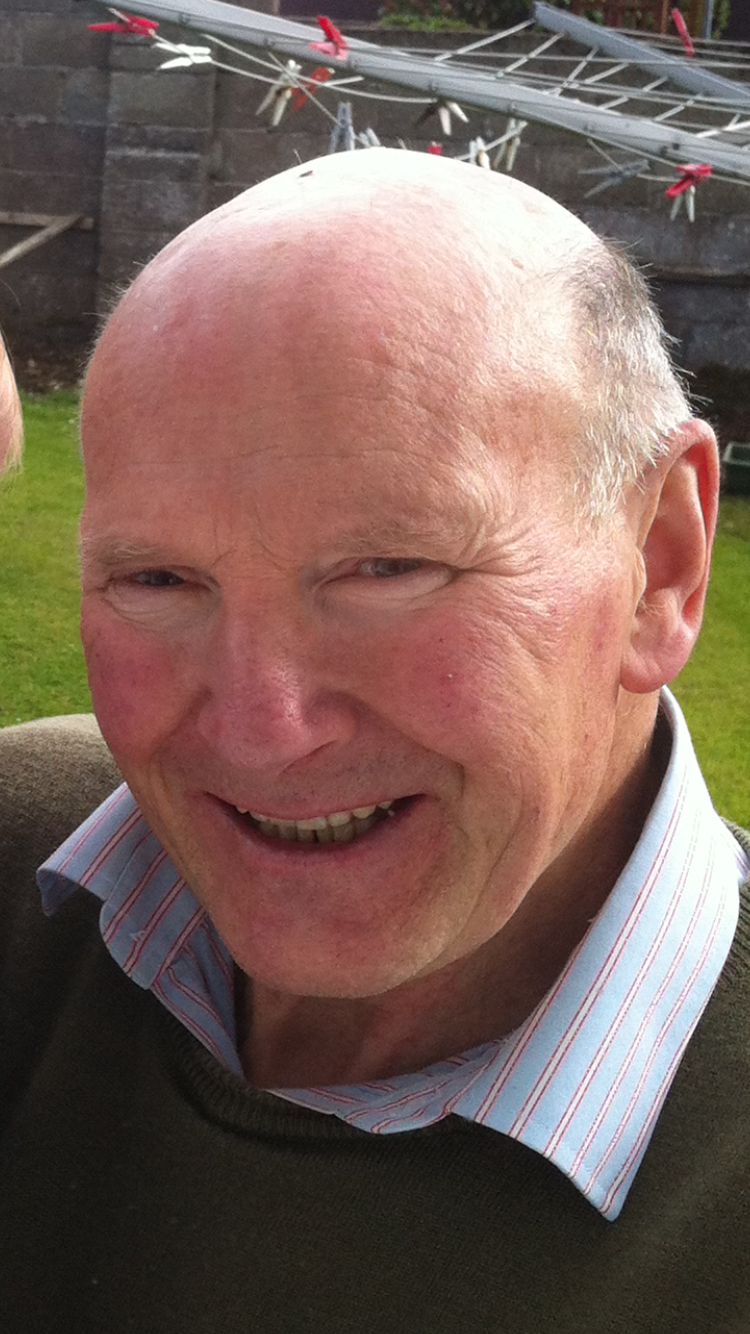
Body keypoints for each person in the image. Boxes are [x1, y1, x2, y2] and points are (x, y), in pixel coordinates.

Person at [1, 149, 748, 1332]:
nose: (261, 730)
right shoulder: (17, 857)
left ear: (660, 564)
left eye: (388, 567)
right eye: (158, 579)